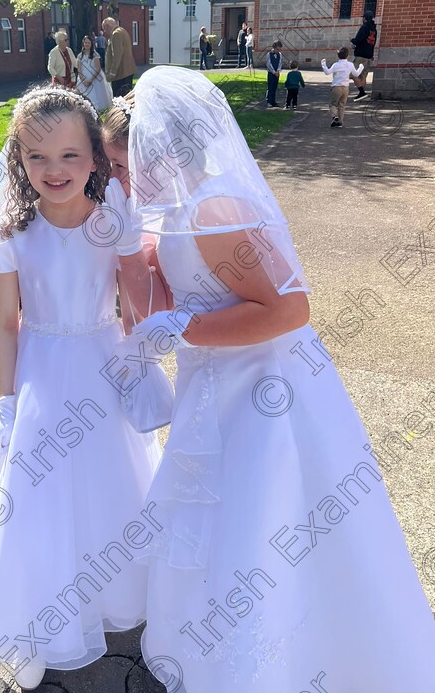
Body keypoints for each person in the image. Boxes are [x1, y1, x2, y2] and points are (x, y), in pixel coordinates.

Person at [103, 65, 435, 693]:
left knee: (265, 509)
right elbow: (162, 302)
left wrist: (186, 330)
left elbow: (288, 310)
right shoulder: (177, 209)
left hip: (261, 389)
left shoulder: (214, 209)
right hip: (212, 385)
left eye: (125, 164)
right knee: (221, 513)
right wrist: (131, 251)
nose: (121, 178)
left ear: (161, 152)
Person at [0, 86, 166, 690]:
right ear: (18, 160)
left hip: (100, 365)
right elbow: (6, 323)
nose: (54, 170)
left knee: (109, 483)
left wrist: (140, 357)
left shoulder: (113, 218)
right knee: (34, 495)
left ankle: (116, 591)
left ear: (95, 157)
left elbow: (130, 302)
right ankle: (41, 621)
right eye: (36, 157)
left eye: (69, 155)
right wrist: (5, 401)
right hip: (39, 371)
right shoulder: (12, 231)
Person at [321, 47, 364, 128]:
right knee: (342, 105)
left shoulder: (336, 65)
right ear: (347, 55)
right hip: (345, 87)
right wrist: (361, 67)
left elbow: (327, 72)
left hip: (336, 86)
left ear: (338, 56)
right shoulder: (350, 65)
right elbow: (356, 74)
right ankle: (340, 122)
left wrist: (323, 64)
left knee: (333, 104)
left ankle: (335, 116)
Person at [102, 17, 136, 97]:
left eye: (104, 28)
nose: (104, 31)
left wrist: (112, 73)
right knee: (127, 97)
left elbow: (117, 55)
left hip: (121, 73)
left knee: (119, 99)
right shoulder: (123, 31)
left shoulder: (116, 34)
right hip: (127, 71)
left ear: (108, 26)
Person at [76, 35, 112, 112]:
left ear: (91, 44)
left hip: (94, 77)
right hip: (83, 77)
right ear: (83, 43)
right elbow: (79, 69)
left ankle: (97, 108)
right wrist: (83, 80)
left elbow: (98, 69)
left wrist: (90, 80)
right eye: (85, 42)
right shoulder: (80, 56)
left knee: (96, 94)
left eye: (89, 43)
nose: (87, 44)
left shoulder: (95, 55)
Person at [351, 9, 377, 101]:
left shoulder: (364, 27)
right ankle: (362, 96)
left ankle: (361, 92)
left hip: (361, 55)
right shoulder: (374, 29)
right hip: (369, 55)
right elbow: (373, 42)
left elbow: (359, 39)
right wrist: (372, 54)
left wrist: (353, 41)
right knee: (363, 75)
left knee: (353, 73)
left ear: (365, 18)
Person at [265, 40, 283, 107]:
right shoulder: (269, 54)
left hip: (277, 73)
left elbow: (280, 63)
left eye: (279, 49)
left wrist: (278, 71)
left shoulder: (279, 55)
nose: (278, 51)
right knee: (270, 87)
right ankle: (268, 101)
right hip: (271, 73)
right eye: (277, 49)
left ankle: (273, 101)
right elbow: (268, 64)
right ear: (274, 48)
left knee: (275, 87)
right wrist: (273, 71)